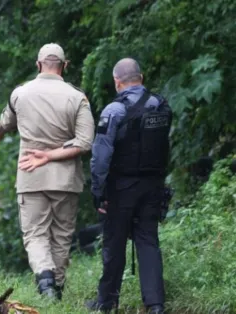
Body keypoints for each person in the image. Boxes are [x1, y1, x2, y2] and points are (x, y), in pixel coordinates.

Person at [0, 43, 95, 300]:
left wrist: (0, 129)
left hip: (31, 176)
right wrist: (54, 153)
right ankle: (55, 288)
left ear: (38, 65)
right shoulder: (76, 96)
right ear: (65, 66)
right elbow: (85, 141)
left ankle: (46, 283)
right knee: (61, 236)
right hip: (66, 180)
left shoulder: (20, 94)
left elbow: (6, 122)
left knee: (35, 234)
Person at [85, 58, 172, 314]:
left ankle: (106, 303)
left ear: (117, 81)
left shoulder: (113, 111)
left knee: (114, 242)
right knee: (148, 241)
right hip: (153, 186)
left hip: (121, 187)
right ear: (141, 78)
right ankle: (156, 305)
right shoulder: (160, 105)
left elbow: (101, 156)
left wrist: (98, 191)